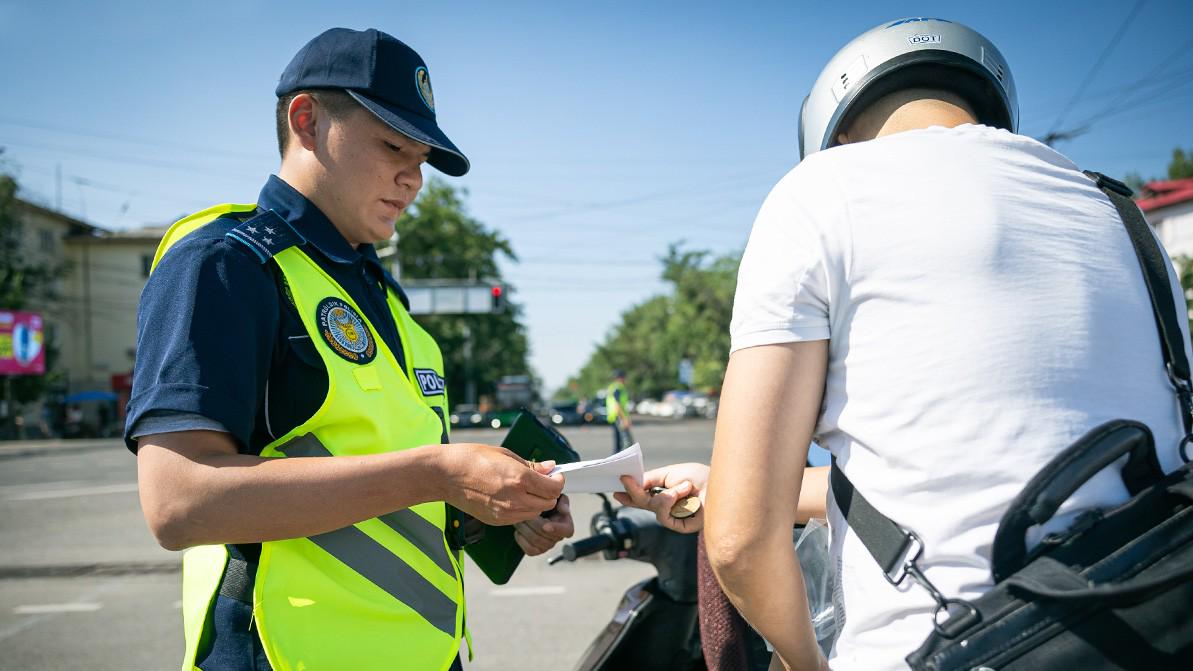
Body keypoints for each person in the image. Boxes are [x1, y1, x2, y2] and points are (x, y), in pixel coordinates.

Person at [695, 17, 1190, 671]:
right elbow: (975, 469)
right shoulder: (1123, 214)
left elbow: (739, 540)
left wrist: (803, 663)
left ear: (836, 136)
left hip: (945, 647)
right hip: (1156, 624)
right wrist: (722, 484)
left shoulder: (820, 193)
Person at [126, 28, 574, 671]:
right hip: (286, 656)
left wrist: (492, 512)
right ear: (306, 121)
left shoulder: (385, 298)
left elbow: (381, 498)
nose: (413, 179)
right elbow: (178, 502)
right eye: (393, 146)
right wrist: (441, 473)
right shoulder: (226, 264)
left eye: (422, 159)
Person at [605, 369, 633, 452]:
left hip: (614, 416)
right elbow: (617, 405)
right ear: (621, 378)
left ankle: (616, 456)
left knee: (618, 442)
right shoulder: (618, 388)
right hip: (619, 417)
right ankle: (624, 457)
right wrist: (624, 419)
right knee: (626, 442)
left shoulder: (612, 387)